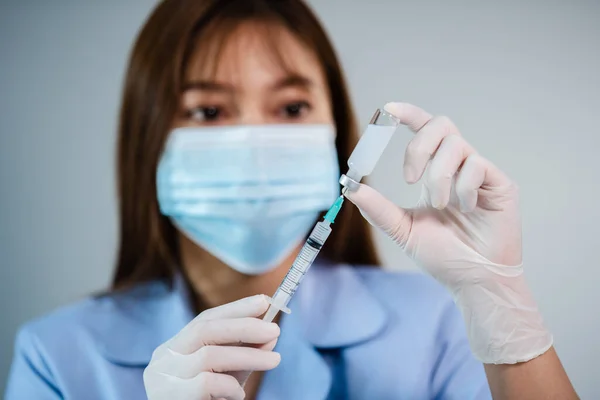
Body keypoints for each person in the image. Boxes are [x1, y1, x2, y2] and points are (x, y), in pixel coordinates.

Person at [5, 0, 578, 399]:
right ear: (148, 142)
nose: (256, 145)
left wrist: (504, 312)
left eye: (291, 108)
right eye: (208, 111)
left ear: (336, 130)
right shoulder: (57, 355)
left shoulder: (433, 326)